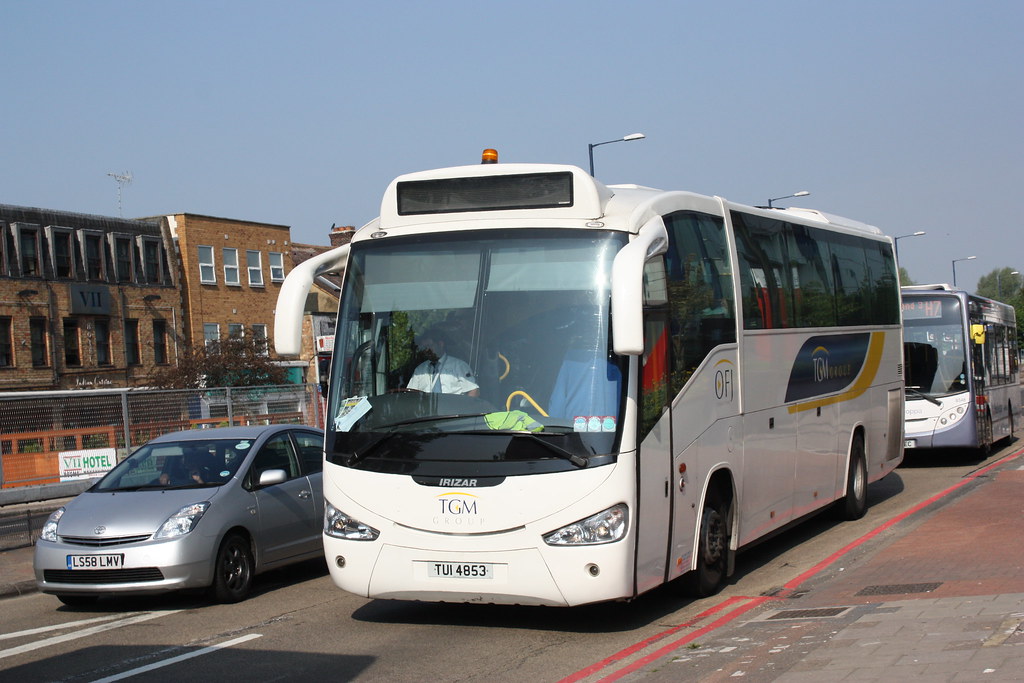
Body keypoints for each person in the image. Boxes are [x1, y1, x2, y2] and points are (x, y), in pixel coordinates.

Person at [407, 327, 480, 396]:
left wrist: (465, 409)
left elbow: (474, 391)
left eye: (429, 346)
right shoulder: (420, 370)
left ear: (440, 344)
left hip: (454, 408)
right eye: (424, 347)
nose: (426, 350)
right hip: (426, 408)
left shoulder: (459, 365)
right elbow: (410, 394)